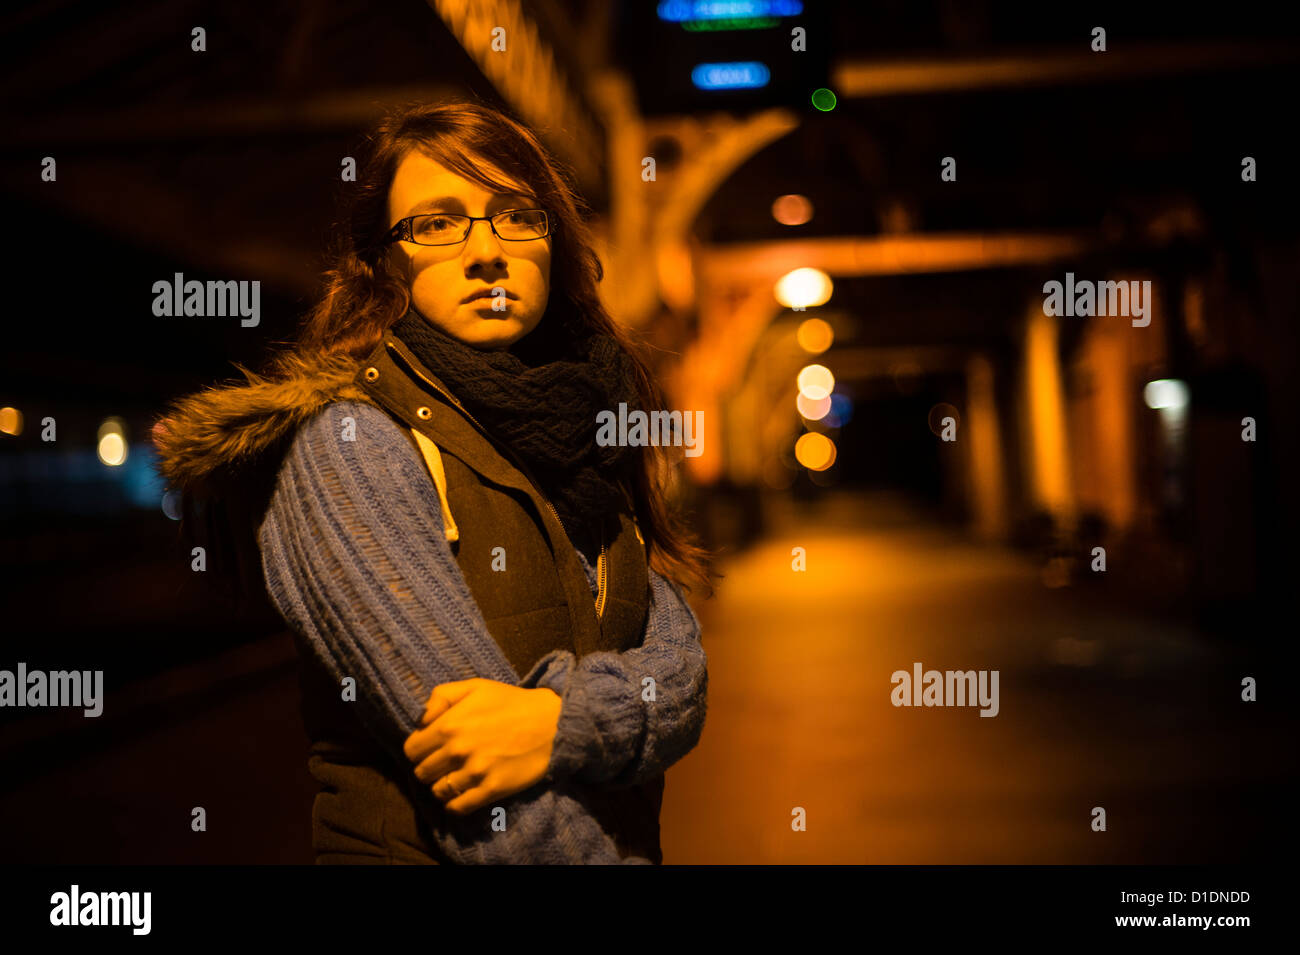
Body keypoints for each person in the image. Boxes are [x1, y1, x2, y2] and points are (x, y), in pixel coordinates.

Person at [152, 100, 714, 864]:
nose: (485, 251)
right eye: (437, 224)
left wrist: (561, 720)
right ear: (386, 261)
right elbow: (487, 790)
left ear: (554, 241)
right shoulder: (353, 445)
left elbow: (681, 673)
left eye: (515, 215)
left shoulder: (585, 433)